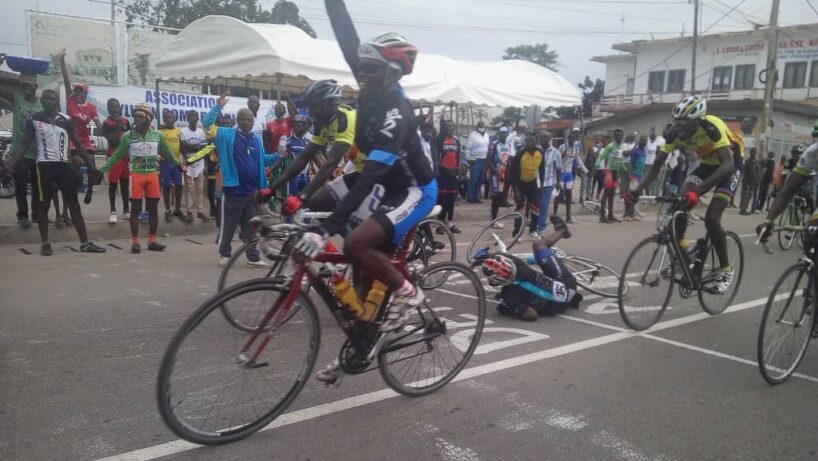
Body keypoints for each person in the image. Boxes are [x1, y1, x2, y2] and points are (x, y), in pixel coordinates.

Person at [299, 0, 437, 383]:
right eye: (360, 66)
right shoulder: (372, 82)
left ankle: (409, 294)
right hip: (384, 186)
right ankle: (363, 343)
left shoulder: (398, 115)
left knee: (355, 245)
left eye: (370, 68)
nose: (361, 72)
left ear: (391, 73)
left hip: (413, 189)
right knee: (359, 277)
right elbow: (348, 37)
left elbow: (372, 175)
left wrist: (329, 229)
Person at [635, 96, 744, 294]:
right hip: (707, 166)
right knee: (679, 206)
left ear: (697, 119)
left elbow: (727, 164)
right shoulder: (674, 133)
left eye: (684, 123)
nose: (679, 127)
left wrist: (698, 191)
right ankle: (685, 256)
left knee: (712, 218)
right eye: (677, 122)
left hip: (730, 165)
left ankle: (726, 269)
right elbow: (655, 168)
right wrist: (636, 191)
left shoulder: (712, 126)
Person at [3, 89, 106, 255]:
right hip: (44, 166)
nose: (48, 101)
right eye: (45, 99)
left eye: (52, 99)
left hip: (64, 165)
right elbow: (23, 144)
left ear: (57, 101)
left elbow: (78, 145)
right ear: (41, 101)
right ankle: (45, 243)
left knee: (74, 205)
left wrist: (92, 168)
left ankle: (85, 243)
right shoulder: (34, 119)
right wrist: (12, 162)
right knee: (44, 205)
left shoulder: (66, 120)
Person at [203, 93, 279, 267]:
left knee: (252, 226)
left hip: (252, 192)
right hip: (233, 191)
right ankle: (224, 253)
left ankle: (253, 257)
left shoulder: (257, 139)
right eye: (244, 120)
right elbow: (207, 124)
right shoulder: (225, 135)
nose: (247, 123)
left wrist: (279, 155)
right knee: (228, 225)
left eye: (250, 120)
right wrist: (218, 106)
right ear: (237, 120)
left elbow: (264, 160)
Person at [267, 79, 360, 216]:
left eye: (314, 106)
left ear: (331, 103)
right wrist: (271, 188)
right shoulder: (322, 123)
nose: (310, 111)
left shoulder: (344, 118)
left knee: (348, 217)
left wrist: (301, 197)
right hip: (359, 169)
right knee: (317, 203)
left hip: (377, 173)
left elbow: (331, 163)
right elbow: (304, 157)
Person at [100, 103, 180, 253]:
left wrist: (179, 163)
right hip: (136, 175)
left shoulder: (157, 136)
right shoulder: (127, 136)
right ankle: (135, 242)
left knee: (153, 210)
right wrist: (101, 170)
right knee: (135, 209)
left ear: (149, 119)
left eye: (140, 116)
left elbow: (168, 154)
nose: (136, 118)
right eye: (135, 115)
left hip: (152, 175)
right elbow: (116, 156)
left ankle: (152, 241)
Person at [479, 215, 581, 321]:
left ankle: (562, 231)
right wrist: (486, 256)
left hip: (557, 308)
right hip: (569, 286)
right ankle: (561, 231)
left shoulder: (508, 296)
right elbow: (501, 254)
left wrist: (508, 307)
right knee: (538, 246)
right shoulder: (519, 266)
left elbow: (532, 315)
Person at [757, 124, 818, 257]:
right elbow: (787, 191)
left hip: (810, 185)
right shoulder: (812, 153)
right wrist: (769, 221)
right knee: (810, 239)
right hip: (806, 184)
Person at [58, 49, 102, 211]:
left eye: (80, 91)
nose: (77, 94)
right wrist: (62, 61)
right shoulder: (70, 102)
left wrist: (105, 132)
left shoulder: (91, 108)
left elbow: (98, 124)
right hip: (71, 139)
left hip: (84, 139)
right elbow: (66, 78)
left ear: (85, 93)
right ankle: (76, 185)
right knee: (75, 163)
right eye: (75, 91)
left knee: (91, 164)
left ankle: (89, 190)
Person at [0, 67, 42, 229]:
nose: (26, 89)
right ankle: (22, 215)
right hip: (20, 153)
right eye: (23, 86)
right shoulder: (18, 99)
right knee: (21, 186)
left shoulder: (41, 105)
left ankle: (37, 214)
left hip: (38, 153)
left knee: (38, 188)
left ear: (35, 88)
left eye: (29, 86)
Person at [508, 133, 546, 238]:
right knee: (520, 207)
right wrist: (515, 190)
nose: (528, 143)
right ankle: (517, 232)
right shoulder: (520, 153)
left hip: (532, 183)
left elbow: (542, 169)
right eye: (527, 141)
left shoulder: (540, 153)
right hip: (520, 184)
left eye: (531, 141)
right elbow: (512, 173)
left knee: (536, 207)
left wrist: (542, 184)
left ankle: (533, 230)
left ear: (536, 142)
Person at [101, 98, 131, 223]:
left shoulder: (126, 121)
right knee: (113, 184)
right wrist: (118, 125)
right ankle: (113, 211)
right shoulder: (106, 123)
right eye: (112, 107)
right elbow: (113, 142)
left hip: (125, 157)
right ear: (108, 109)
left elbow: (130, 137)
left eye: (117, 106)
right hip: (114, 156)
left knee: (125, 185)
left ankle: (126, 210)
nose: (115, 109)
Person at [180, 110, 210, 222]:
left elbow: (205, 149)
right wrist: (198, 148)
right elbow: (183, 148)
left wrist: (205, 164)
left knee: (200, 189)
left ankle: (200, 211)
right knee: (189, 189)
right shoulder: (183, 132)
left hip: (200, 164)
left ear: (197, 119)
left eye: (195, 116)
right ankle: (189, 212)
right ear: (187, 118)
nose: (193, 118)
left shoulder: (201, 132)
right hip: (187, 162)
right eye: (190, 116)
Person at [554, 127, 588, 224]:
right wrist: (562, 156)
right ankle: (555, 215)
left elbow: (577, 160)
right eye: (570, 138)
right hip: (561, 173)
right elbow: (557, 159)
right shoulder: (562, 147)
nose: (572, 140)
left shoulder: (575, 147)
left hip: (569, 174)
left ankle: (568, 217)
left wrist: (585, 170)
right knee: (558, 194)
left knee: (569, 194)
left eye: (574, 138)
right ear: (568, 139)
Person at [158, 111, 186, 223]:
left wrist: (183, 161)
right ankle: (168, 210)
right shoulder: (160, 132)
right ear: (164, 119)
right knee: (167, 186)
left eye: (170, 117)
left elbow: (182, 146)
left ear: (174, 119)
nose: (168, 119)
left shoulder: (178, 132)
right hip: (165, 163)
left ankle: (177, 210)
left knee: (179, 186)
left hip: (177, 163)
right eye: (166, 117)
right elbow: (158, 147)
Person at [435, 119, 462, 233]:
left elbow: (458, 155)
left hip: (453, 174)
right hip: (442, 173)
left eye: (452, 126)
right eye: (448, 126)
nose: (450, 128)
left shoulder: (456, 141)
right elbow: (436, 158)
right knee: (443, 199)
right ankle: (440, 224)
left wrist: (459, 166)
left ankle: (450, 223)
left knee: (451, 198)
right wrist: (446, 168)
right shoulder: (440, 140)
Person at [277, 114, 312, 197]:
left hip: (305, 176)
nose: (297, 128)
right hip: (292, 177)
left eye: (299, 126)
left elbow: (313, 158)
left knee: (305, 199)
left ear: (304, 127)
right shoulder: (287, 141)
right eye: (295, 126)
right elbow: (280, 158)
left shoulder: (309, 142)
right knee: (289, 201)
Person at [595, 128, 626, 223]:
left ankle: (611, 215)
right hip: (609, 171)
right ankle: (602, 216)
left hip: (616, 172)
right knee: (606, 194)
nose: (619, 136)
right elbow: (602, 156)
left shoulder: (621, 147)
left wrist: (625, 170)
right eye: (617, 135)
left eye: (621, 135)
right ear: (614, 136)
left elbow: (620, 161)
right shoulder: (610, 146)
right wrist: (597, 162)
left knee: (612, 195)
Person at [487, 127, 512, 222]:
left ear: (507, 134)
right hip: (495, 174)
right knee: (495, 197)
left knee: (501, 195)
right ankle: (494, 220)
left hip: (504, 174)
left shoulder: (508, 145)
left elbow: (507, 159)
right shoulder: (494, 145)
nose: (503, 135)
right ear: (498, 134)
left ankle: (495, 218)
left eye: (505, 133)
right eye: (501, 133)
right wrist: (495, 171)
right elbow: (488, 159)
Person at [623, 136, 647, 221]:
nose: (644, 142)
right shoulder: (635, 152)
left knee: (635, 196)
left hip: (640, 176)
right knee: (630, 196)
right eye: (642, 140)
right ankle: (626, 215)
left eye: (645, 141)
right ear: (639, 141)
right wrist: (631, 175)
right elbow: (630, 163)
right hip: (634, 176)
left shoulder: (643, 151)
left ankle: (632, 215)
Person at [465, 121, 489, 203]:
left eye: (483, 126)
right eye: (480, 126)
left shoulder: (486, 135)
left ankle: (476, 197)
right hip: (475, 160)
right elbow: (467, 148)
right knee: (473, 180)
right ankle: (470, 197)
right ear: (477, 126)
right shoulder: (472, 135)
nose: (482, 127)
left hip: (484, 160)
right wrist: (468, 158)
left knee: (480, 180)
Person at [739, 148, 760, 215]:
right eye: (752, 152)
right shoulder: (747, 161)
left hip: (753, 182)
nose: (753, 153)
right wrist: (744, 181)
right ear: (750, 153)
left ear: (756, 153)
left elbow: (757, 172)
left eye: (754, 152)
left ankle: (745, 208)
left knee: (749, 196)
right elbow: (744, 172)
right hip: (747, 181)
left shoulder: (756, 162)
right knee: (745, 195)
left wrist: (756, 181)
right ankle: (743, 209)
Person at [645, 130, 665, 196]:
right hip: (646, 163)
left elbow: (658, 153)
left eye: (654, 136)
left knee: (655, 179)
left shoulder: (656, 144)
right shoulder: (646, 143)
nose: (653, 137)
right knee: (646, 179)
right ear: (650, 136)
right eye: (652, 136)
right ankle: (647, 194)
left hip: (653, 164)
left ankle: (654, 194)